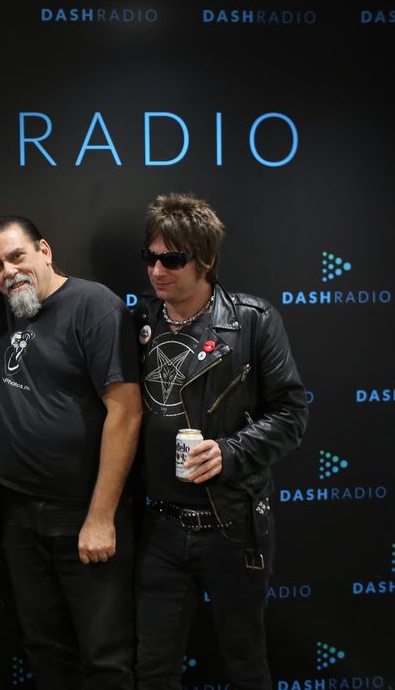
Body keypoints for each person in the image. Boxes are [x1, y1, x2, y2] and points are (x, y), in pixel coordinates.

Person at [132, 193, 308, 690]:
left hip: (232, 523)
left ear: (206, 259)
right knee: (153, 669)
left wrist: (230, 452)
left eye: (172, 259)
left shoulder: (252, 320)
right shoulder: (139, 322)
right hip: (160, 527)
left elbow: (291, 414)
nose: (157, 271)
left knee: (244, 664)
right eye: (150, 257)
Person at [0, 215, 142, 690]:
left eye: (17, 256)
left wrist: (101, 517)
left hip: (84, 514)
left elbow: (126, 414)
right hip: (19, 516)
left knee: (105, 656)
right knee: (44, 648)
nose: (8, 271)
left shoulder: (95, 305)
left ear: (44, 250)